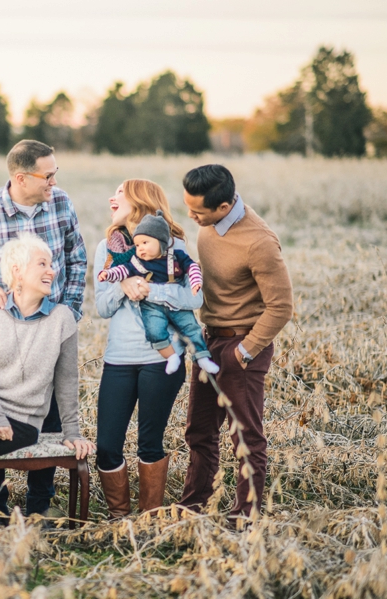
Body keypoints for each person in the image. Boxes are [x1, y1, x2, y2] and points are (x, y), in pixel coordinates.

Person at [0, 139, 87, 519]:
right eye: (49, 175)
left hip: (51, 325)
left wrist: (69, 311)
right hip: (3, 324)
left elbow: (76, 257)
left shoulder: (61, 204)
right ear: (21, 177)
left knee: (52, 416)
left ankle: (39, 510)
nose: (54, 182)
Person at [0, 233, 95, 521]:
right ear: (17, 271)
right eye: (43, 264)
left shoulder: (62, 319)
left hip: (23, 422)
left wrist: (72, 432)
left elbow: (67, 382)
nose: (52, 270)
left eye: (52, 264)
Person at [178, 164, 293, 520]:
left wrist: (244, 352)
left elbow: (282, 306)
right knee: (198, 429)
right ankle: (195, 503)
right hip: (207, 341)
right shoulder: (208, 227)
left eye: (198, 210)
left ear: (224, 207)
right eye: (187, 206)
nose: (191, 215)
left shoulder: (258, 241)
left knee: (244, 435)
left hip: (242, 345)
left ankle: (247, 513)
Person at [94, 180, 203, 518]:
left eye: (120, 193)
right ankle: (118, 518)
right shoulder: (107, 249)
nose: (112, 198)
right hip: (119, 359)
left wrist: (151, 291)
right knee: (106, 447)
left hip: (161, 360)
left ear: (140, 200)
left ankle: (148, 520)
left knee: (149, 444)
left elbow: (195, 298)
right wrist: (124, 285)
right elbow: (102, 307)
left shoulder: (176, 249)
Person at [98, 211, 219, 376]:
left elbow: (192, 267)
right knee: (154, 331)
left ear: (161, 242)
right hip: (151, 306)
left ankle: (202, 357)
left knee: (190, 327)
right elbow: (122, 270)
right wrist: (109, 275)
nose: (140, 249)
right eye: (137, 245)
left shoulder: (176, 256)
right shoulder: (137, 261)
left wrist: (196, 281)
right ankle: (171, 357)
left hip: (175, 304)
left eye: (144, 243)